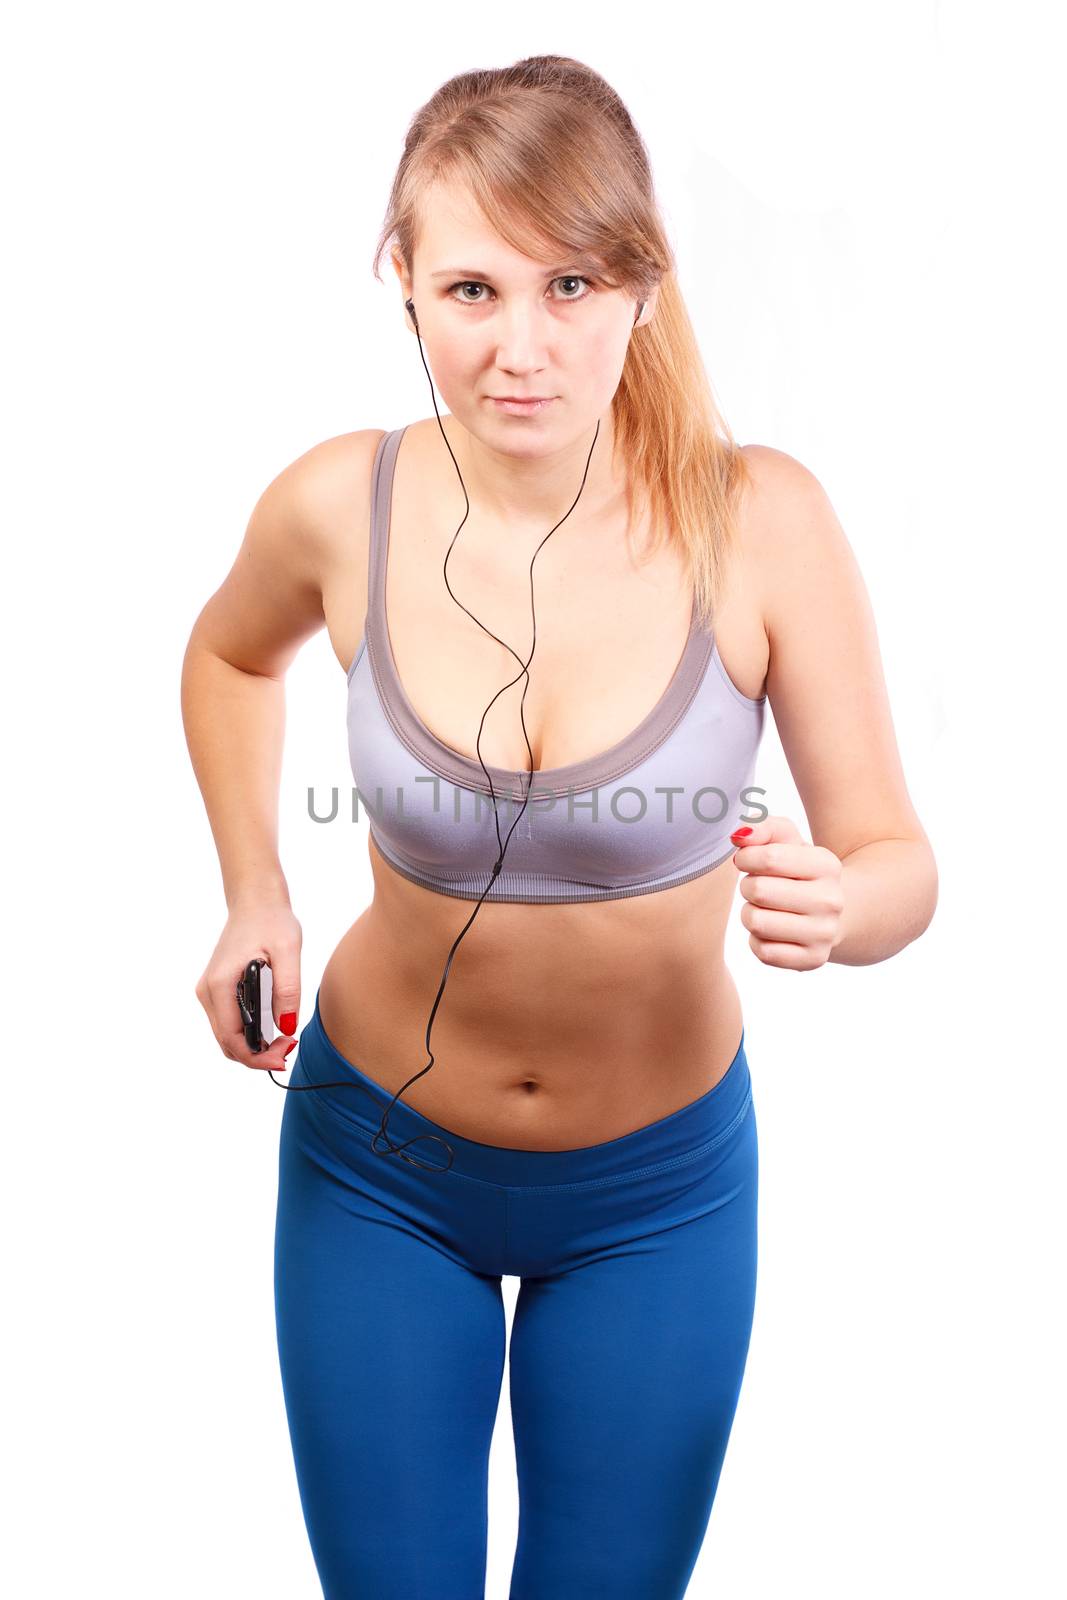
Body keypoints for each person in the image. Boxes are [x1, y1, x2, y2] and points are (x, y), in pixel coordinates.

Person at [182, 53, 938, 1600]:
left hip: (655, 1200)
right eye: (470, 289)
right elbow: (225, 654)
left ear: (642, 289)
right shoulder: (343, 502)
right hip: (376, 1170)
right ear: (402, 282)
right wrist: (254, 891)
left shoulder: (760, 520)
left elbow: (898, 863)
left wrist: (843, 912)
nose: (520, 348)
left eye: (571, 283)